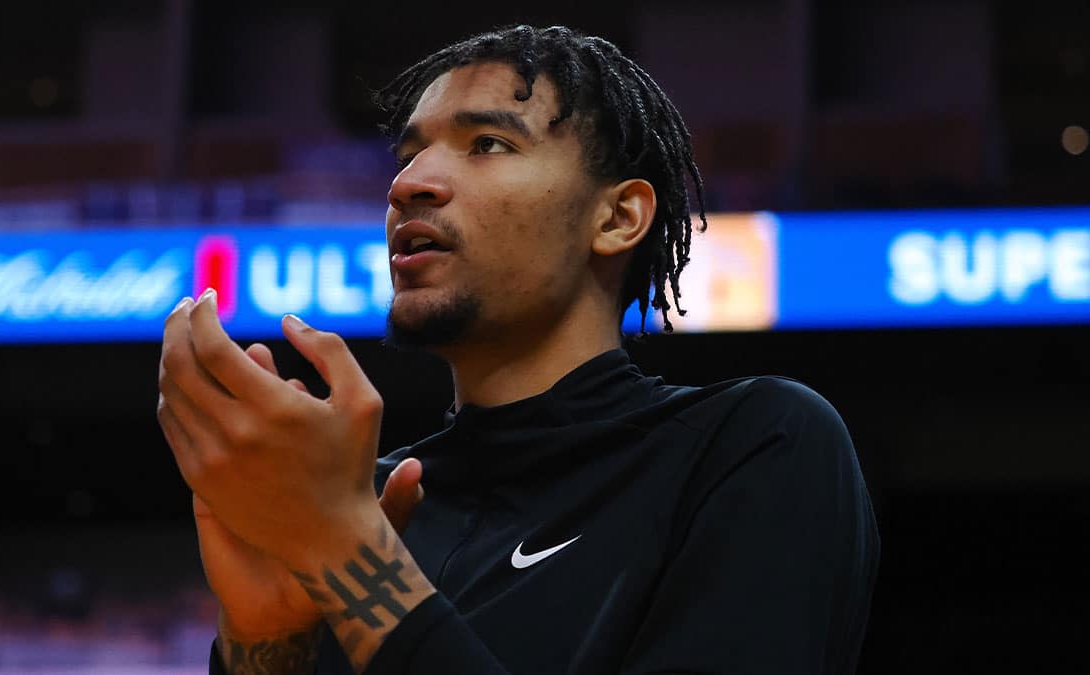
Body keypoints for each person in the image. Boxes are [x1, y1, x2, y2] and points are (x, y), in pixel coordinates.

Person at [158, 25, 880, 675]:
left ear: (617, 216)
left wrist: (346, 551)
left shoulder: (754, 443)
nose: (409, 185)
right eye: (409, 155)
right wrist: (265, 640)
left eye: (488, 144)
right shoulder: (362, 503)